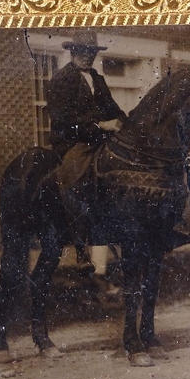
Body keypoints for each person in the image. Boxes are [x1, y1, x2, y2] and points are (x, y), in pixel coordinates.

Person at [46, 31, 127, 273]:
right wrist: (101, 126)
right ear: (72, 52)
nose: (86, 57)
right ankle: (78, 244)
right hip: (71, 141)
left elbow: (111, 107)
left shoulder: (97, 78)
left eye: (90, 53)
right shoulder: (60, 80)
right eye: (82, 52)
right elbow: (62, 119)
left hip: (98, 140)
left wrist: (125, 122)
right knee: (74, 175)